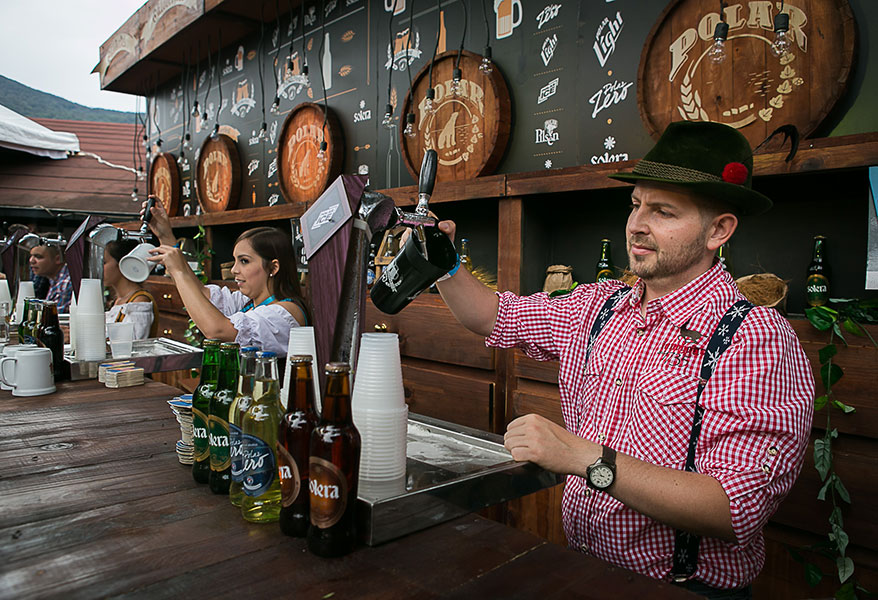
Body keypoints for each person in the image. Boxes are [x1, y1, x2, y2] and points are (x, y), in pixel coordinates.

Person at [431, 122, 813, 599]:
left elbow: (733, 508)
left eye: (664, 211)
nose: (637, 224)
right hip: (581, 570)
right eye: (636, 204)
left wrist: (583, 456)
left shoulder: (755, 339)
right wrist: (442, 264)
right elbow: (493, 316)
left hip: (680, 590)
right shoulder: (598, 305)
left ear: (719, 229)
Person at [142, 201, 308, 355]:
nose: (234, 270)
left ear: (274, 267)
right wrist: (166, 237)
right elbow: (202, 293)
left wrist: (178, 271)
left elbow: (217, 330)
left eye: (244, 261)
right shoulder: (247, 302)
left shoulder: (284, 313)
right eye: (235, 261)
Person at [104, 239, 159, 340]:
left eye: (104, 262)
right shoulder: (118, 301)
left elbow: (131, 343)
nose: (100, 267)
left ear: (122, 263)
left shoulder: (139, 302)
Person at [29, 242, 72, 312]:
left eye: (38, 257)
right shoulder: (54, 279)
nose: (31, 261)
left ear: (58, 259)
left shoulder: (66, 282)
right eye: (31, 256)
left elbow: (54, 317)